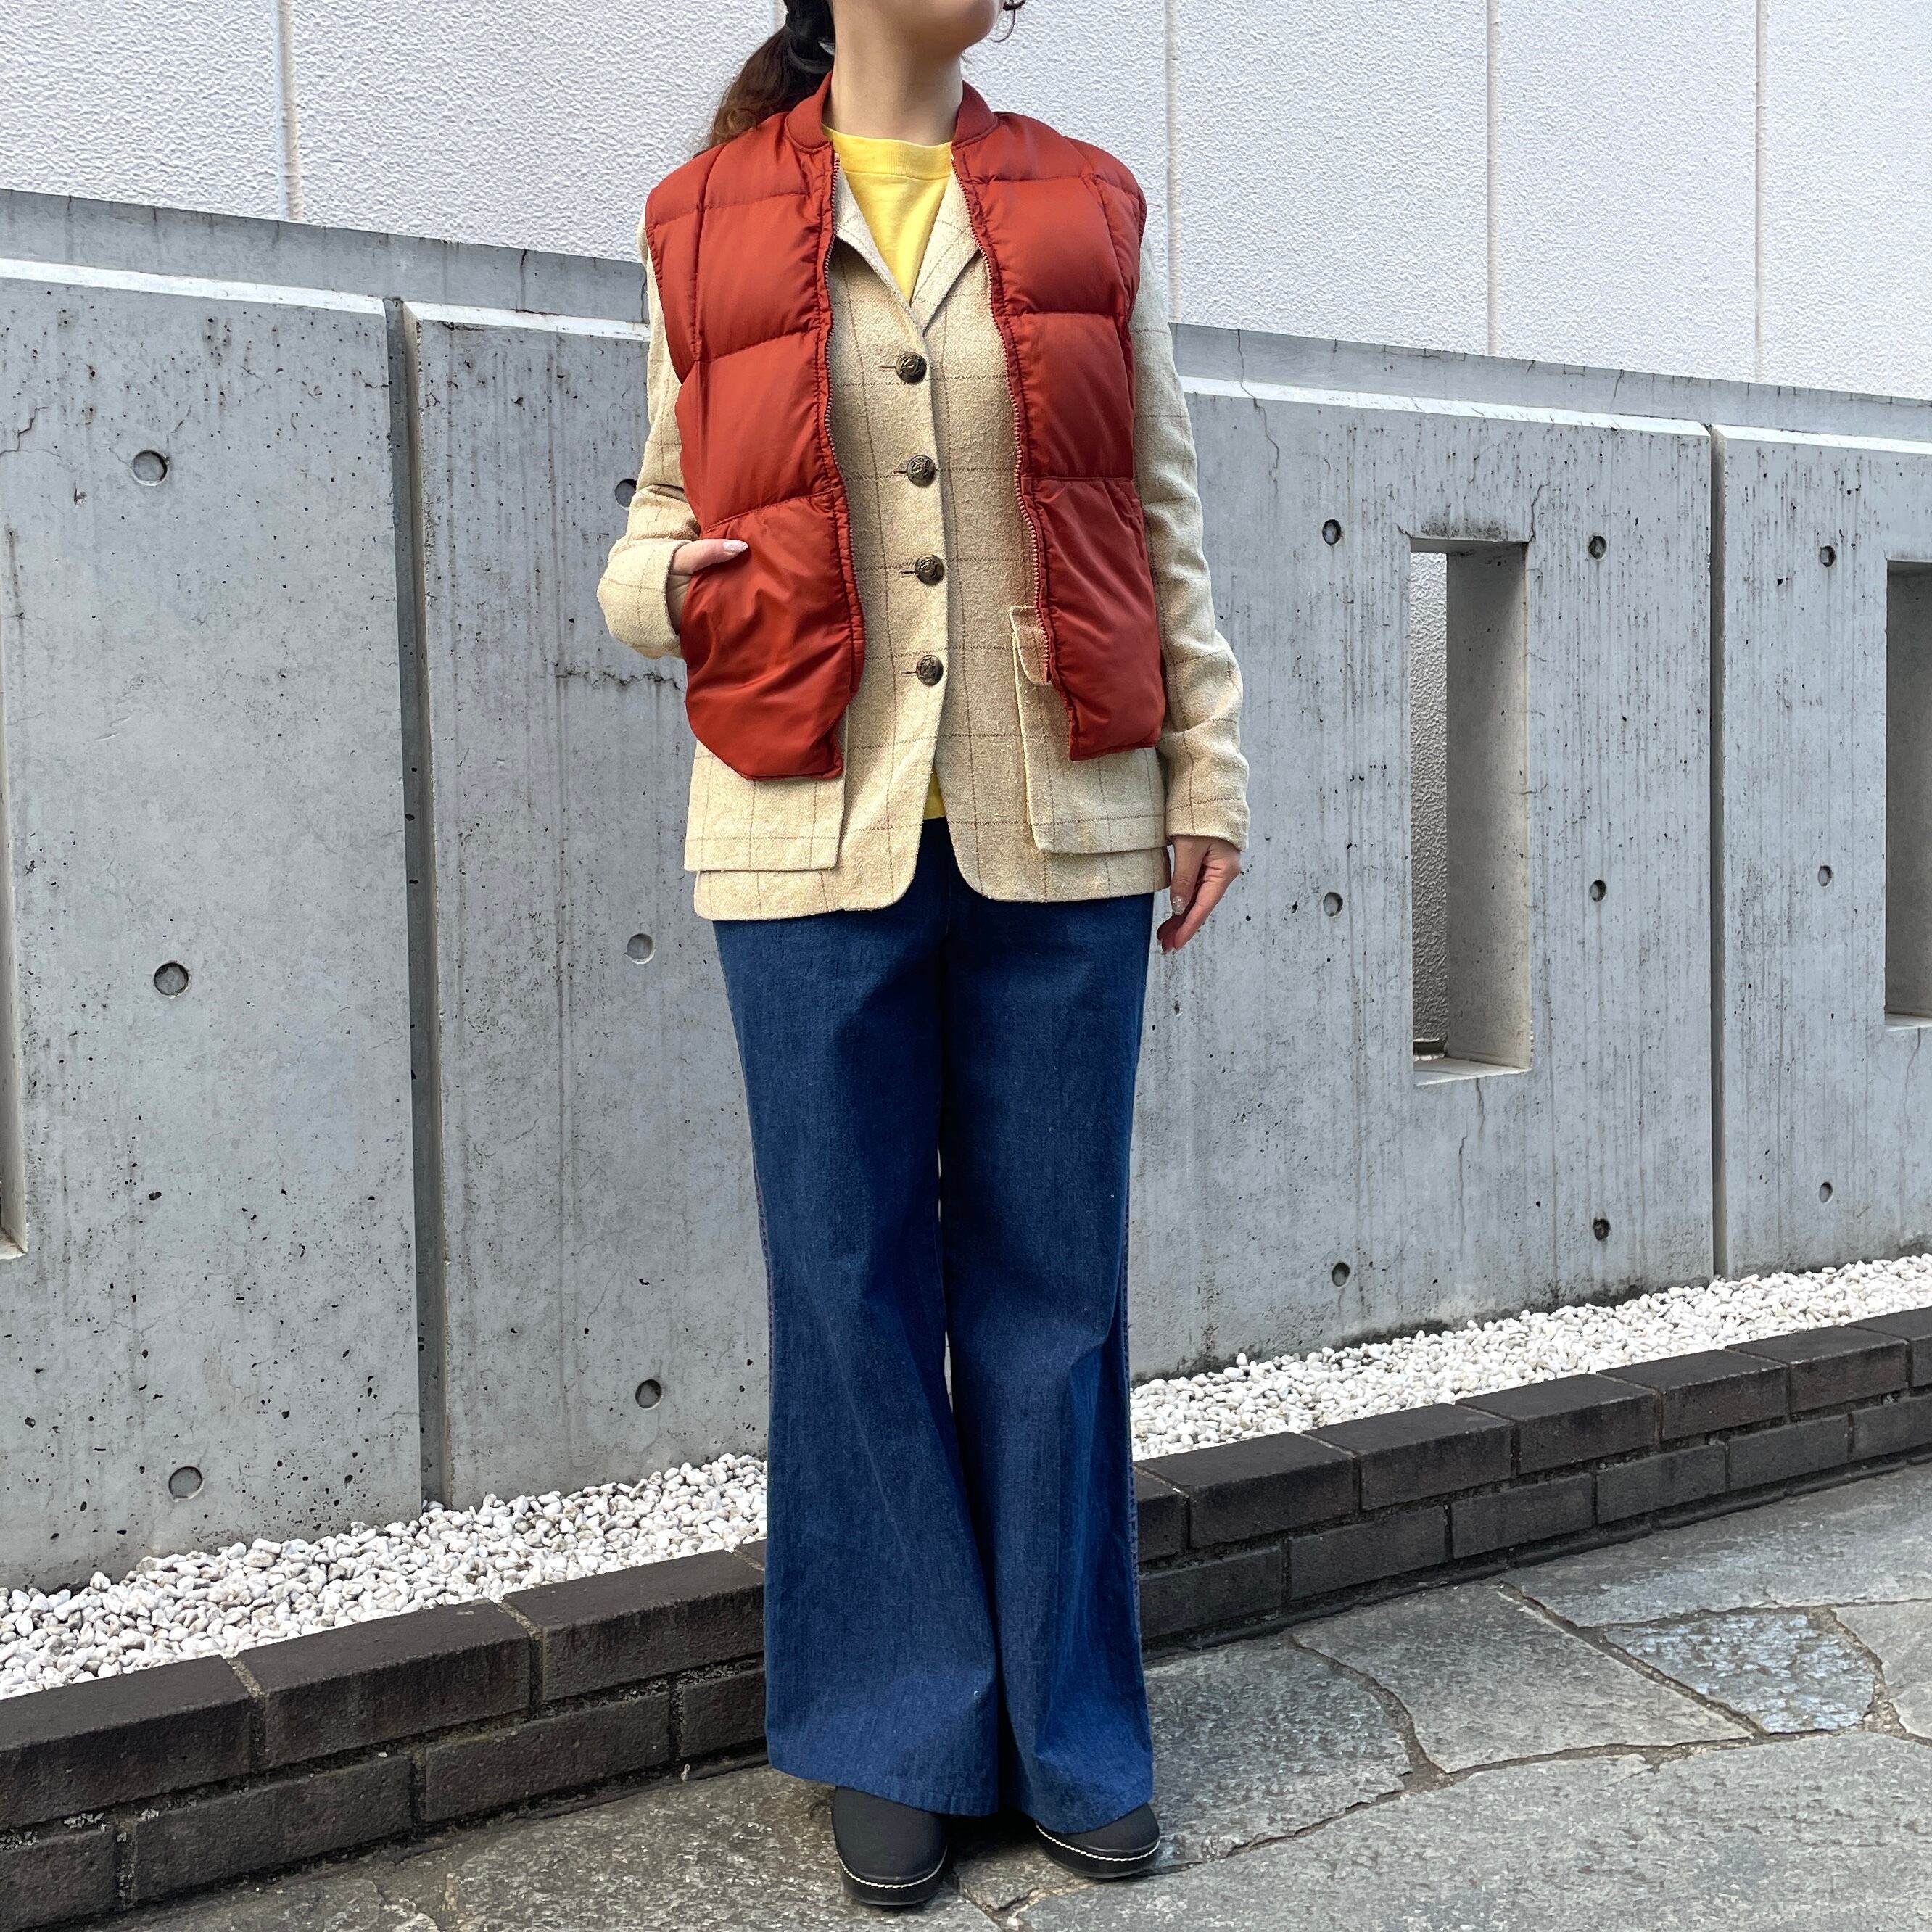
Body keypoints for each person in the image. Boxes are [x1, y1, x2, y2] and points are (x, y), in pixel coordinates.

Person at [598, 0, 1248, 1908]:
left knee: (1057, 1291)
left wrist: (1207, 771)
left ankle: (1072, 1733)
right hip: (806, 826)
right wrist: (665, 588)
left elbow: (1158, 512)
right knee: (847, 1283)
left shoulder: (1086, 203)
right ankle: (894, 1725)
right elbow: (655, 516)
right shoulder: (702, 215)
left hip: (1063, 820)